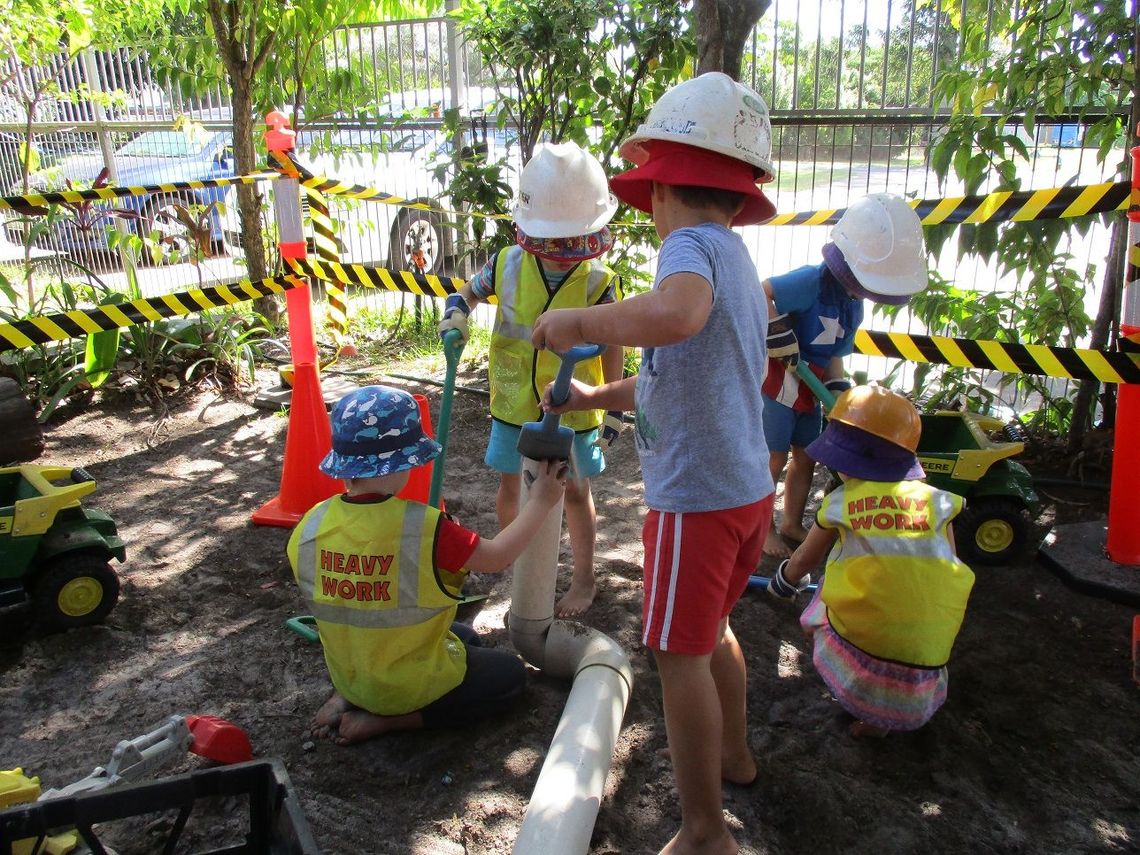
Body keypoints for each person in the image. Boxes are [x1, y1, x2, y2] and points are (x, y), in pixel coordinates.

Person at [530, 72, 776, 855]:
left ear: (663, 185)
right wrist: (593, 396)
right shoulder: (735, 256)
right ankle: (735, 756)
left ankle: (705, 830)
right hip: (745, 495)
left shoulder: (690, 249)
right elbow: (675, 373)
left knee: (676, 656)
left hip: (694, 505)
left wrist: (574, 319)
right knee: (715, 636)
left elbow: (673, 316)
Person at [287, 385, 567, 746]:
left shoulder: (312, 524)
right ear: (405, 462)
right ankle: (394, 721)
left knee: (466, 637)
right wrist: (540, 503)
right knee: (509, 676)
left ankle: (348, 697)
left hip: (352, 672)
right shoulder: (425, 529)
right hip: (405, 687)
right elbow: (498, 556)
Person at [438, 141, 625, 618]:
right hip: (512, 405)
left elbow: (616, 345)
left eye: (572, 245)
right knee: (512, 489)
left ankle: (582, 579)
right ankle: (523, 563)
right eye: (554, 245)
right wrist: (456, 313)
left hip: (575, 407)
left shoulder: (600, 280)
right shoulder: (505, 264)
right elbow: (468, 292)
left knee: (578, 492)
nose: (564, 254)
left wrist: (614, 409)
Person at [768, 385, 976, 738]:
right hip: (930, 654)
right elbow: (947, 562)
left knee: (819, 604)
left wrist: (782, 583)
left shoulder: (840, 503)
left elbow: (806, 560)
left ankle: (861, 702)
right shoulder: (939, 502)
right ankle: (881, 720)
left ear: (848, 461)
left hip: (866, 650)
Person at [761, 192, 929, 559]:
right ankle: (763, 530)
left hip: (811, 385)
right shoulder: (808, 281)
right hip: (777, 384)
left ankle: (790, 522)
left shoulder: (854, 307)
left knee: (806, 456)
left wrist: (841, 398)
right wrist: (776, 331)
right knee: (772, 459)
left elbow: (836, 361)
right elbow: (761, 294)